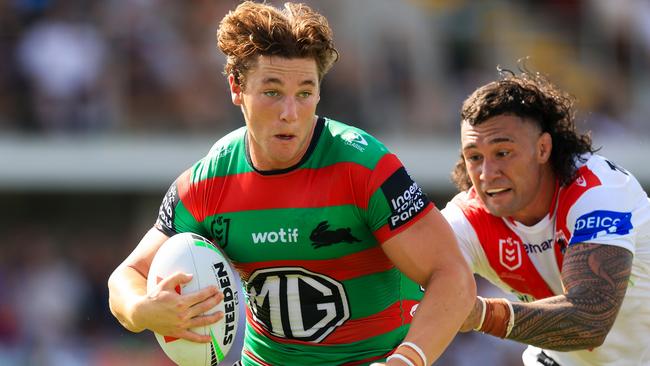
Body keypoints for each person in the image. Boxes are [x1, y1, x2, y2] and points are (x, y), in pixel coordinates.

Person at [107, 2, 475, 365]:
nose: (290, 113)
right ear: (237, 87)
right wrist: (142, 310)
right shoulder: (210, 180)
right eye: (272, 92)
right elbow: (128, 275)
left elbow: (454, 276)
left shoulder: (363, 166)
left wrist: (405, 361)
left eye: (304, 93)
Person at [441, 64, 650, 366]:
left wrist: (482, 315)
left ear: (542, 148)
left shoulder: (597, 191)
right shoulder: (467, 218)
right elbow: (415, 280)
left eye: (502, 153)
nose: (487, 174)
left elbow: (591, 319)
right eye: (474, 157)